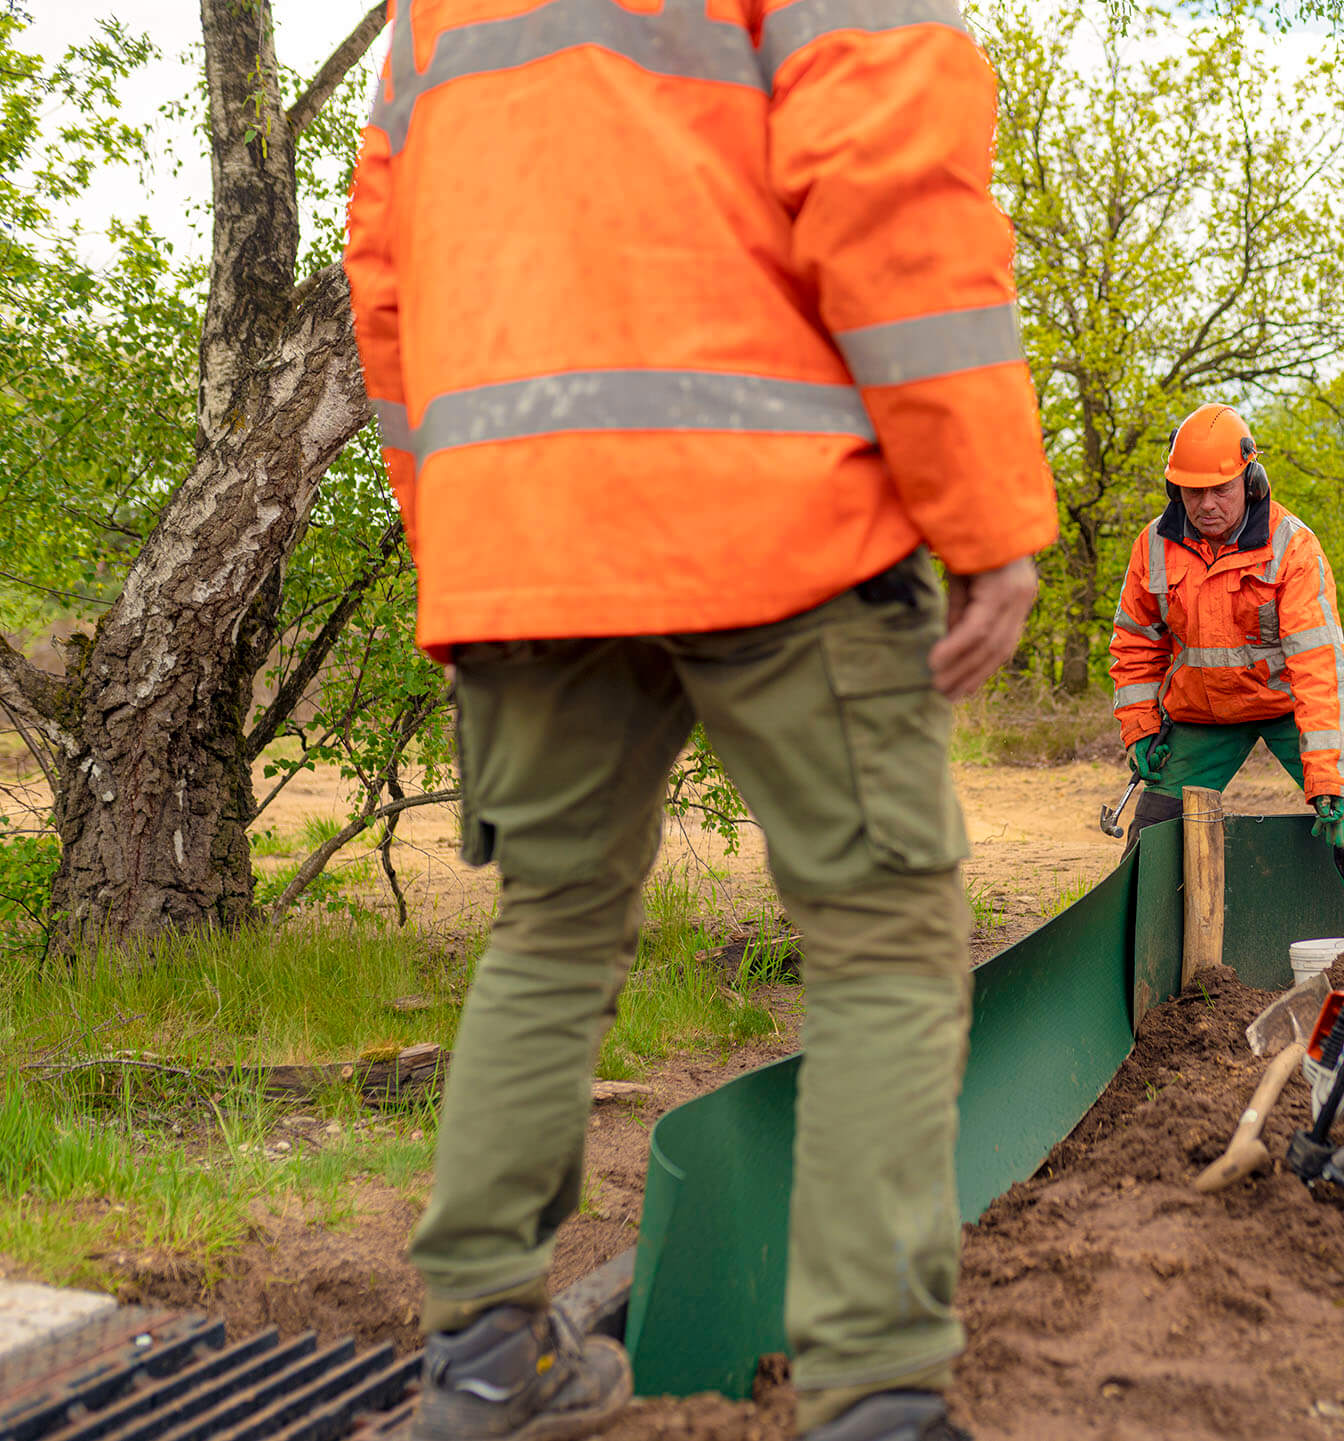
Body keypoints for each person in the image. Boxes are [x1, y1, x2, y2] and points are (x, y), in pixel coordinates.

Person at [342, 3, 1056, 1438]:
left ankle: (483, 1360)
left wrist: (462, 544)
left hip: (521, 534)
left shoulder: (435, 15)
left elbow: (385, 281)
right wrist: (984, 513)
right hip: (781, 505)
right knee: (881, 932)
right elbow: (890, 188)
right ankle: (876, 1400)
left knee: (547, 926)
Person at [1110, 404, 1344, 947]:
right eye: (1192, 492)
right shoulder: (1153, 546)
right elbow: (1136, 643)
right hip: (1201, 713)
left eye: (1220, 490)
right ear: (1173, 488)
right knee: (1150, 835)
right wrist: (1139, 728)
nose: (1206, 505)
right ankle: (1131, 955)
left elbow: (1320, 666)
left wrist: (1328, 775)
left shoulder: (1293, 548)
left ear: (1251, 481)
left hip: (1284, 707)